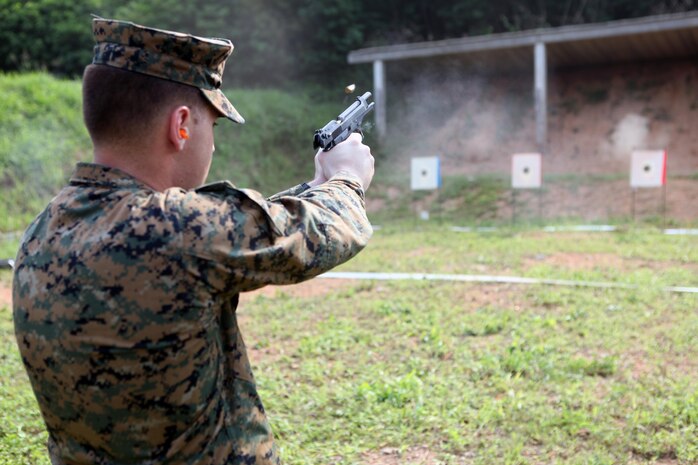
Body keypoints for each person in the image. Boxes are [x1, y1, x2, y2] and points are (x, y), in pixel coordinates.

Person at [12, 18, 374, 465]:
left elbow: (231, 234)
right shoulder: (179, 229)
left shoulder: (41, 232)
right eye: (213, 127)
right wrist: (347, 178)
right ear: (181, 125)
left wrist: (313, 186)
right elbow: (321, 232)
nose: (213, 146)